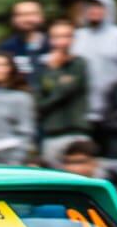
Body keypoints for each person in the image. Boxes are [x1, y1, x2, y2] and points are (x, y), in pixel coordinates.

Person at [35, 21, 92, 167]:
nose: (62, 41)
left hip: (77, 133)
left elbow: (65, 91)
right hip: (52, 134)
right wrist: (55, 74)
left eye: (66, 36)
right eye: (57, 37)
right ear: (50, 39)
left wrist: (54, 75)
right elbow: (39, 103)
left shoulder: (79, 64)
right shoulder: (42, 67)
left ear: (73, 39)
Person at [73, 0, 117, 124]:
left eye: (99, 7)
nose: (94, 11)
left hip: (115, 110)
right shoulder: (77, 37)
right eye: (90, 7)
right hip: (82, 111)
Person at [0, 0, 49, 82]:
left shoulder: (55, 44)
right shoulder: (6, 48)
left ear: (41, 16)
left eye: (31, 14)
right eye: (20, 15)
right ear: (13, 19)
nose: (26, 19)